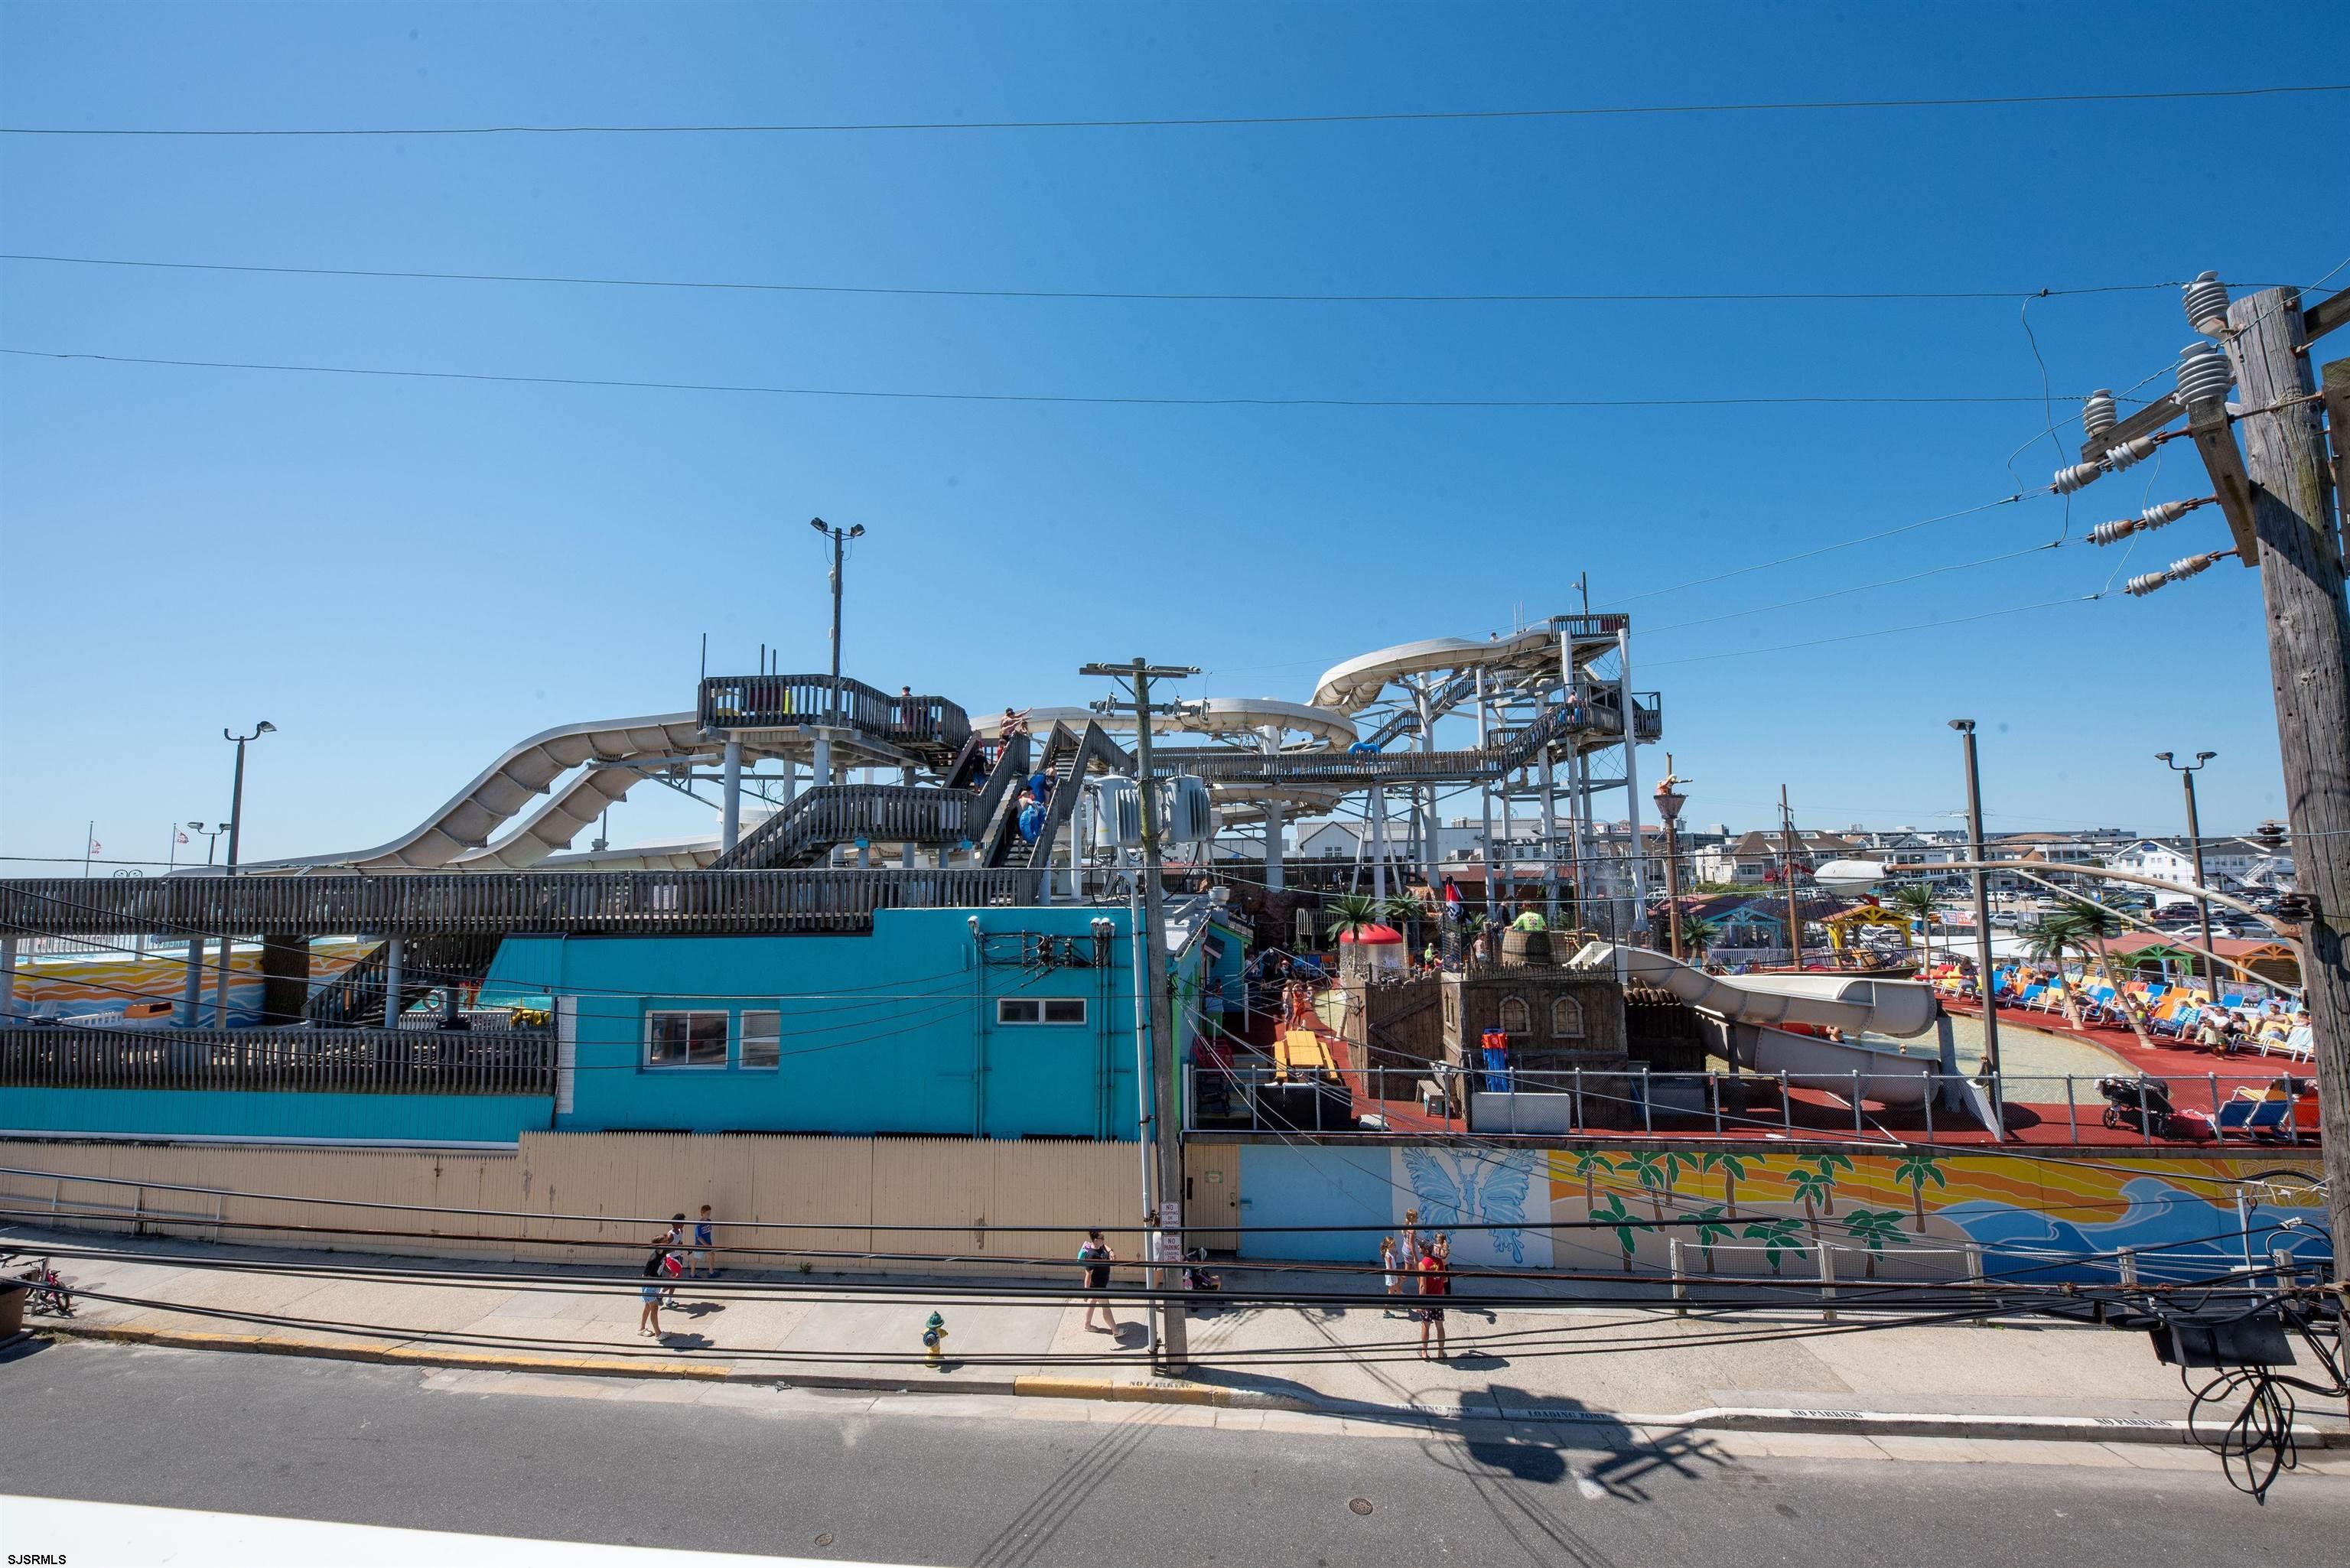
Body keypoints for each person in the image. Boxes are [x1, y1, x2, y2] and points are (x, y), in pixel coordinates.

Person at [1078, 1228, 1118, 1335]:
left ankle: (1087, 1325)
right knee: (1106, 1307)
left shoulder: (1100, 1247)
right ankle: (1115, 1330)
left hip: (1102, 1283)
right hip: (1097, 1286)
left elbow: (1105, 1246)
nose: (1104, 1240)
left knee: (1092, 1302)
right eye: (1102, 1238)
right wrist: (1086, 1292)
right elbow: (1088, 1275)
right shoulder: (1091, 1255)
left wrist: (1111, 1251)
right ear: (1096, 1240)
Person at [1417, 1237, 1450, 1359]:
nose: (1418, 1248)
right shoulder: (1440, 1262)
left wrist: (1420, 1304)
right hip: (1439, 1299)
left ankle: (1424, 1352)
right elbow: (1445, 1279)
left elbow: (1422, 1286)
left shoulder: (1422, 1265)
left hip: (1428, 1300)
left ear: (1426, 1250)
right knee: (1440, 1326)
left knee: (1426, 1325)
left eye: (1420, 1246)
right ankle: (1441, 1352)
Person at [1380, 1235, 1403, 1317]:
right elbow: (1391, 1269)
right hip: (1391, 1276)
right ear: (1388, 1245)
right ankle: (1385, 1311)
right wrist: (1399, 1276)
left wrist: (1396, 1256)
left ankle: (1404, 1303)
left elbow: (1394, 1265)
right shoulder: (1388, 1255)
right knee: (1391, 1293)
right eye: (1393, 1244)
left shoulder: (1390, 1253)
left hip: (1393, 1275)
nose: (1394, 1245)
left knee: (1399, 1289)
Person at [691, 1204, 715, 1277]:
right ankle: (692, 1274)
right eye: (707, 1214)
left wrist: (709, 1244)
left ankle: (711, 1272)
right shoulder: (699, 1224)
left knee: (712, 1256)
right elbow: (699, 1237)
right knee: (696, 1258)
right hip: (700, 1244)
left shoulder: (709, 1221)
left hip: (708, 1243)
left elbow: (709, 1232)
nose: (708, 1215)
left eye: (709, 1213)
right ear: (702, 1213)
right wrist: (706, 1245)